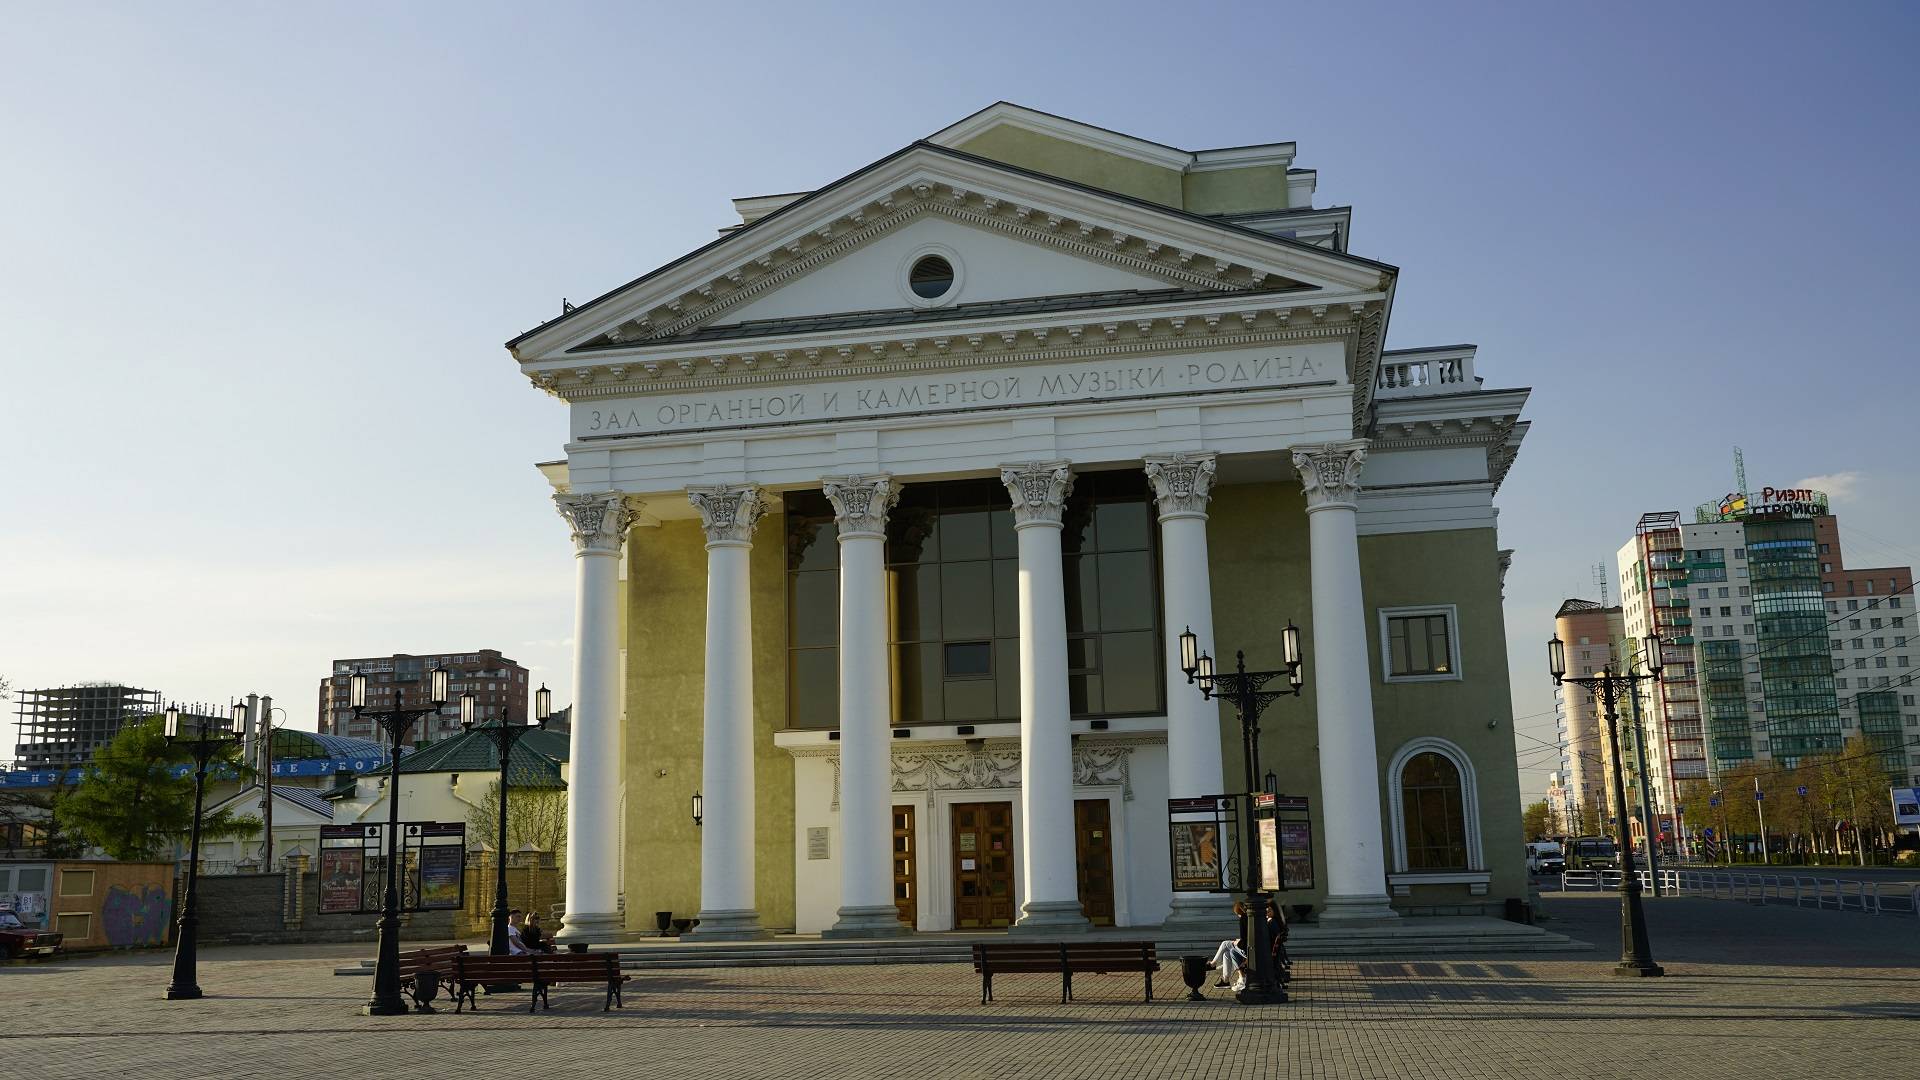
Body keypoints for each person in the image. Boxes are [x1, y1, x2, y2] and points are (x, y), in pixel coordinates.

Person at [1209, 901, 1249, 989]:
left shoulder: (1244, 919)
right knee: (1226, 954)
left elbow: (1245, 940)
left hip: (1248, 949)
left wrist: (1237, 943)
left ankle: (1213, 964)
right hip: (1248, 946)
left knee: (1225, 944)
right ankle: (1225, 981)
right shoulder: (1248, 918)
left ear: (1237, 912)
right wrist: (1239, 941)